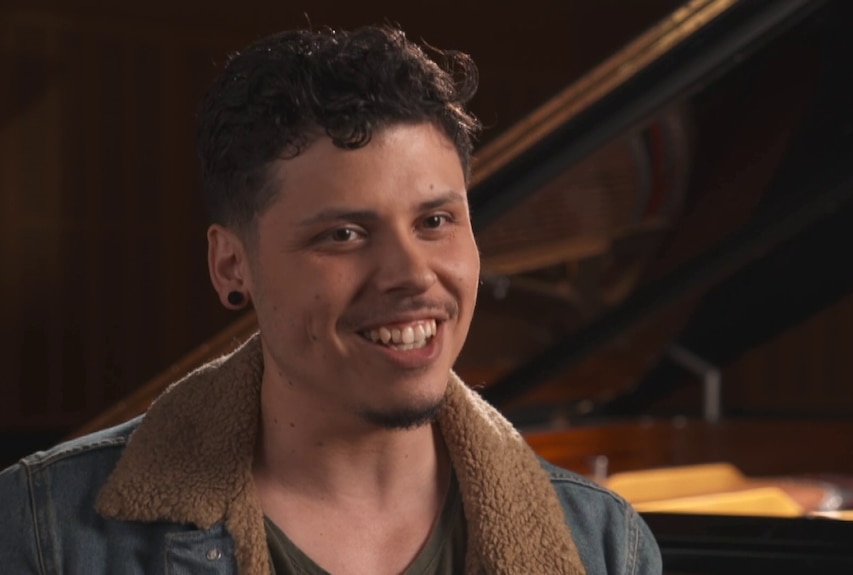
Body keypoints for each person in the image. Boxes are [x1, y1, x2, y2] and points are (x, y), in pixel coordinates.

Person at [0, 25, 661, 574]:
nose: (410, 273)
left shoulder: (606, 546)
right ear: (232, 263)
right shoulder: (46, 530)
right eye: (343, 234)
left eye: (435, 221)